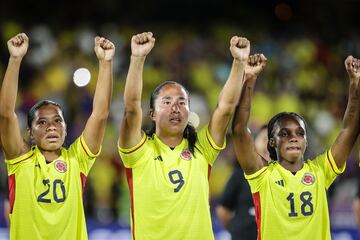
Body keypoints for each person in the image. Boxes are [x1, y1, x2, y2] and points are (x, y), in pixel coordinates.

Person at [117, 31, 250, 240]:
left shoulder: (202, 149)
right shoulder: (139, 151)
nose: (175, 108)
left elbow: (225, 108)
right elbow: (131, 109)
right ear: (152, 114)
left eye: (182, 102)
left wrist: (239, 63)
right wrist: (137, 59)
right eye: (167, 102)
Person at [232, 53, 360, 239]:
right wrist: (250, 78)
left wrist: (355, 84)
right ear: (272, 142)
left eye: (300, 133)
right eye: (284, 134)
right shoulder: (262, 176)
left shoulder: (320, 171)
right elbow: (239, 130)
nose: (294, 138)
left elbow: (350, 130)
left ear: (306, 141)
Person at [0, 33, 115, 239]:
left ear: (65, 127)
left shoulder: (77, 160)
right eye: (42, 123)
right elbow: (6, 114)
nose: (51, 127)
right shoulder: (20, 160)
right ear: (30, 134)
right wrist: (15, 60)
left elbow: (100, 114)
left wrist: (105, 64)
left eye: (57, 121)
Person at [216, 125, 269, 240]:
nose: (268, 145)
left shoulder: (287, 175)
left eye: (273, 141)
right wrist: (237, 229)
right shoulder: (241, 173)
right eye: (265, 139)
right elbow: (223, 209)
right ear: (254, 143)